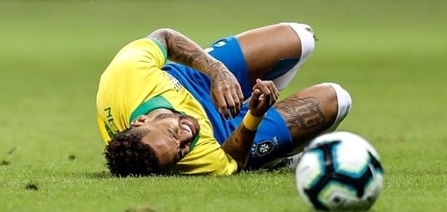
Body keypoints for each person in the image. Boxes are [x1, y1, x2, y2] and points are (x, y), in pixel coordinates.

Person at [97, 22, 352, 176]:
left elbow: (164, 36)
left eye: (172, 134)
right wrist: (254, 114)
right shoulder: (198, 158)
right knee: (337, 99)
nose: (186, 136)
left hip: (195, 79)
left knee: (301, 36)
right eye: (180, 151)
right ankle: (273, 157)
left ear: (141, 121)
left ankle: (247, 83)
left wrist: (217, 70)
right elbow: (232, 161)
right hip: (225, 132)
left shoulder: (126, 76)